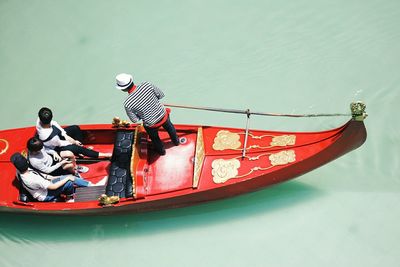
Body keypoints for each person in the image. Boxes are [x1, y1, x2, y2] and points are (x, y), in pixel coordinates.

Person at [115, 73, 179, 155]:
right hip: (163, 115)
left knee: (155, 138)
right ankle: (176, 142)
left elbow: (134, 120)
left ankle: (161, 151)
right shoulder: (147, 85)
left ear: (123, 89)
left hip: (151, 124)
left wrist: (141, 113)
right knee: (170, 128)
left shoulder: (127, 103)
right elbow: (161, 95)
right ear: (132, 81)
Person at [10, 153, 91, 202]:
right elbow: (53, 187)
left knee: (66, 177)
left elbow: (42, 175)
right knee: (69, 181)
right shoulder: (33, 179)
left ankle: (89, 185)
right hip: (46, 195)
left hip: (43, 187)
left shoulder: (19, 172)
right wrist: (67, 178)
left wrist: (54, 177)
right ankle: (69, 198)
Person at [36, 107, 112, 159]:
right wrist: (74, 142)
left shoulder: (40, 119)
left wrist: (65, 135)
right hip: (55, 146)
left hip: (57, 137)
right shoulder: (47, 136)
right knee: (76, 148)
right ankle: (104, 155)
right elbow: (61, 143)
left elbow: (57, 127)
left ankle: (80, 148)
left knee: (75, 128)